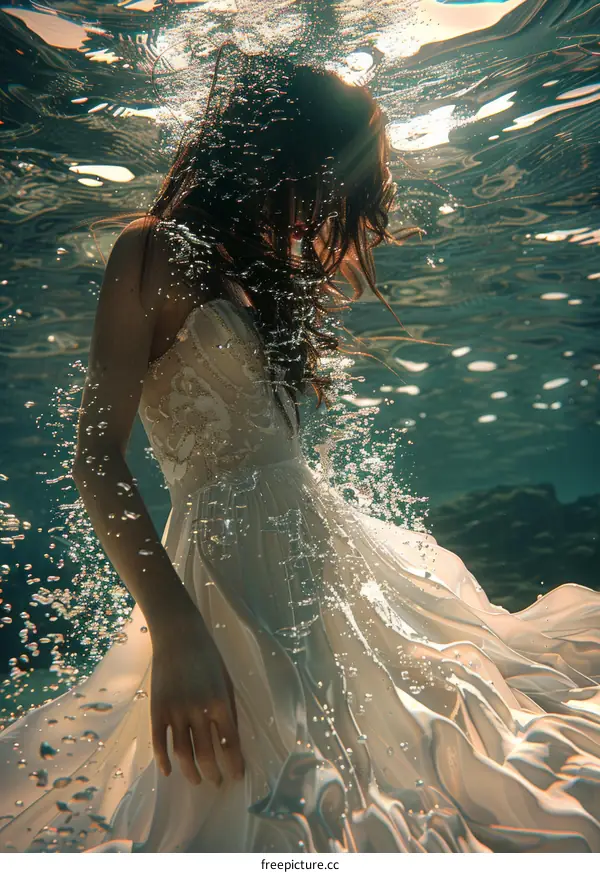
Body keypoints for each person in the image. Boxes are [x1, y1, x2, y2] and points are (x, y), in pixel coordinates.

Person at [1, 46, 599, 855]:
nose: (323, 211)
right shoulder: (151, 251)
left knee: (413, 775)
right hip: (223, 581)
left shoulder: (264, 270)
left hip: (329, 567)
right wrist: (175, 631)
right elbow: (96, 458)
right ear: (277, 154)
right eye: (322, 182)